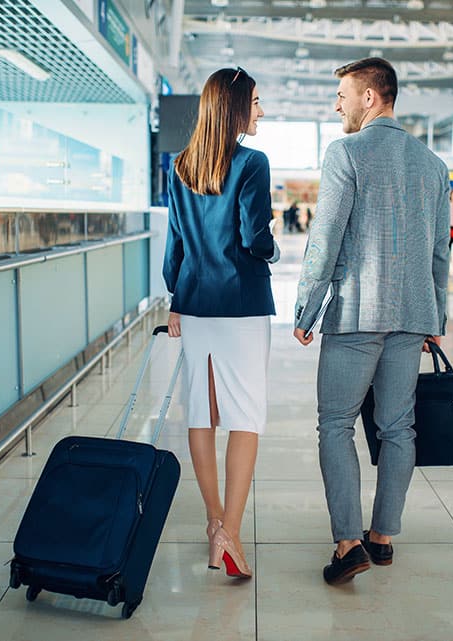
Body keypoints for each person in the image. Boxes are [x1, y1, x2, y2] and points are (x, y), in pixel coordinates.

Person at [292, 57, 450, 586]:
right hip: (410, 316)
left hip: (357, 314)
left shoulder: (346, 153)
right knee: (397, 426)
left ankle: (347, 543)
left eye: (342, 93)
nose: (336, 103)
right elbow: (438, 254)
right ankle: (382, 539)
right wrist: (437, 315)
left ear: (370, 97)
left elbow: (326, 237)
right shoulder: (432, 164)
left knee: (336, 424)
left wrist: (307, 308)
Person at [163, 66, 279, 580]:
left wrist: (175, 297)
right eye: (255, 102)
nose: (261, 110)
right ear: (234, 106)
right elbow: (256, 237)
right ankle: (229, 535)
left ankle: (214, 522)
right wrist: (272, 246)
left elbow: (176, 247)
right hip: (243, 305)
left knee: (201, 415)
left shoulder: (181, 166)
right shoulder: (252, 163)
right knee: (245, 418)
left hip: (193, 302)